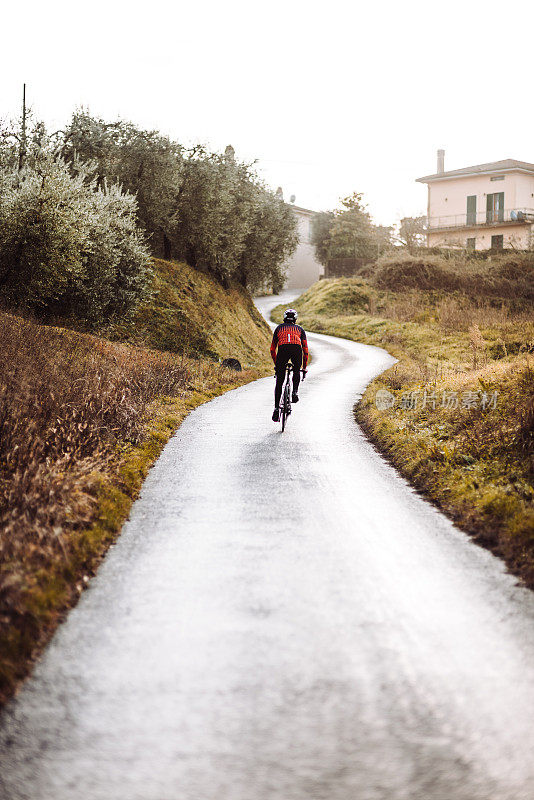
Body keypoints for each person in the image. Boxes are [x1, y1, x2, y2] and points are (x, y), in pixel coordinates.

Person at [270, 308, 308, 422]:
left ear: (284, 318)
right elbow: (305, 350)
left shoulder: (278, 328)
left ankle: (276, 409)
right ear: (295, 319)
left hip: (283, 349)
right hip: (296, 349)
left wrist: (277, 364)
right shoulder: (300, 329)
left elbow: (272, 349)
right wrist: (304, 368)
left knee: (279, 382)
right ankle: (295, 392)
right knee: (296, 371)